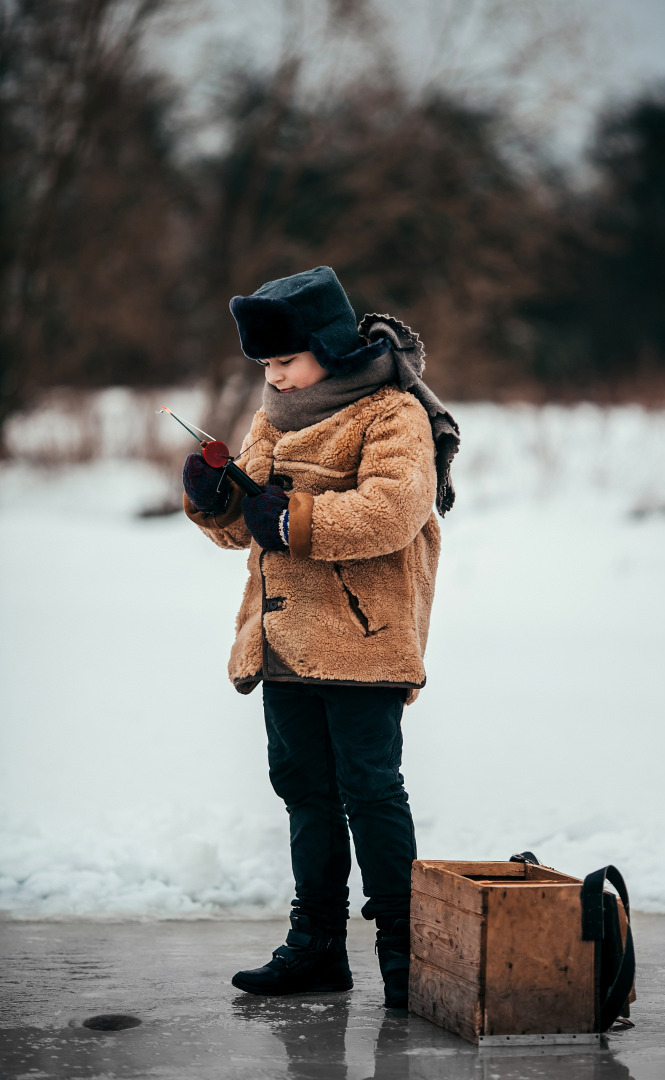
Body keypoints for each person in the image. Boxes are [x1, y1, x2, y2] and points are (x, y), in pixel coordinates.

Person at [182, 266, 459, 1007]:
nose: (275, 378)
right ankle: (316, 947)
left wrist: (293, 520)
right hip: (285, 641)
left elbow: (393, 511)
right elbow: (247, 520)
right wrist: (213, 501)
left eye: (284, 362)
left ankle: (405, 954)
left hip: (364, 641)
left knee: (370, 792)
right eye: (266, 366)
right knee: (305, 792)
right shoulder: (275, 416)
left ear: (329, 348)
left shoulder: (390, 412)